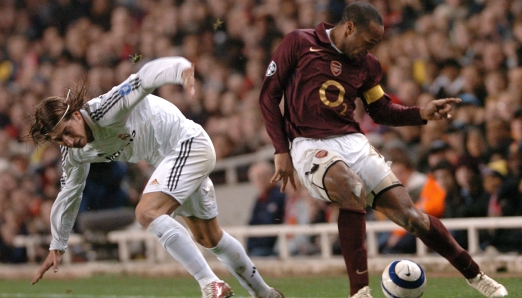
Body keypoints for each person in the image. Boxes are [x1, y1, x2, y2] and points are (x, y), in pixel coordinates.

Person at [258, 2, 507, 298]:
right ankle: (360, 292)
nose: (370, 49)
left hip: (352, 142)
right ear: (349, 27)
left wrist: (421, 113)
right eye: (369, 41)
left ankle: (476, 275)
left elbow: (381, 111)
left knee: (411, 217)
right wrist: (280, 150)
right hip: (308, 144)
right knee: (350, 189)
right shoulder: (299, 43)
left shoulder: (367, 64)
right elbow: (269, 97)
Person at [29, 56, 283, 298]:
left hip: (188, 144)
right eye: (59, 139)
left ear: (75, 115)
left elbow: (143, 79)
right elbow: (69, 195)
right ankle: (264, 292)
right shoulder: (74, 153)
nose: (69, 141)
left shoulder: (105, 110)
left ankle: (210, 284)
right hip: (171, 162)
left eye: (67, 131)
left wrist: (179, 68)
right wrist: (57, 244)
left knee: (146, 212)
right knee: (209, 238)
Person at [246, 161, 286, 257]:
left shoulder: (279, 195)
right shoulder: (260, 198)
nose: (258, 181)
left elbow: (272, 221)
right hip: (256, 247)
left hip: (271, 248)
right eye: (255, 178)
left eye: (261, 177)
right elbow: (252, 222)